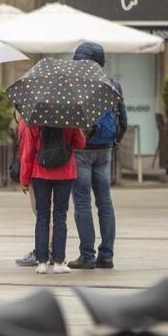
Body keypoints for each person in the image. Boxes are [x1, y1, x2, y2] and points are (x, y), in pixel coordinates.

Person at [69, 42, 126, 270]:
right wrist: (114, 142)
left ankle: (87, 256)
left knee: (82, 203)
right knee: (105, 202)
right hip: (105, 150)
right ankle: (107, 255)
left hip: (81, 150)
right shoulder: (113, 85)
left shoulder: (74, 85)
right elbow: (123, 120)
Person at [19, 117, 86, 275]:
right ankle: (58, 262)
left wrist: (24, 178)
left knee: (42, 216)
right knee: (60, 216)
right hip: (65, 172)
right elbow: (81, 144)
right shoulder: (69, 118)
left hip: (40, 172)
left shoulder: (36, 119)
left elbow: (28, 152)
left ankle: (41, 262)